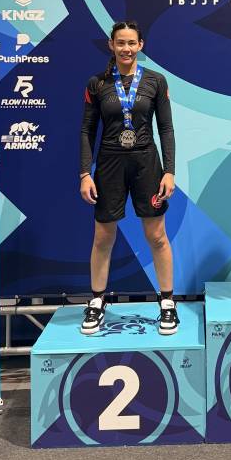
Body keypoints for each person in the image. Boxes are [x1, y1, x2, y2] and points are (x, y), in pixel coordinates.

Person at [79, 20, 178, 335]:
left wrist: (170, 170)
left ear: (140, 45)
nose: (126, 48)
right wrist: (85, 173)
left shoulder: (155, 81)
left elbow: (166, 129)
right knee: (102, 237)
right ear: (111, 45)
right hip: (109, 165)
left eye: (131, 43)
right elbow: (86, 131)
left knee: (157, 236)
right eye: (120, 43)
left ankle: (167, 302)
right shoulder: (97, 83)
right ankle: (97, 301)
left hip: (147, 164)